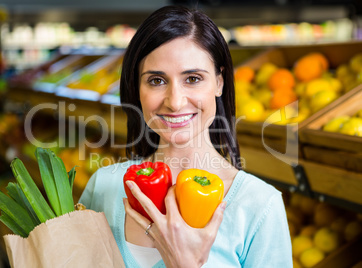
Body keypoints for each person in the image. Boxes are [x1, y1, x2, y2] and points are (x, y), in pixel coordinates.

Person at [80, 5, 292, 268]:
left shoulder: (260, 207)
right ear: (137, 88)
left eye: (192, 78)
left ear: (219, 82)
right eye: (157, 81)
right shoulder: (102, 187)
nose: (176, 102)